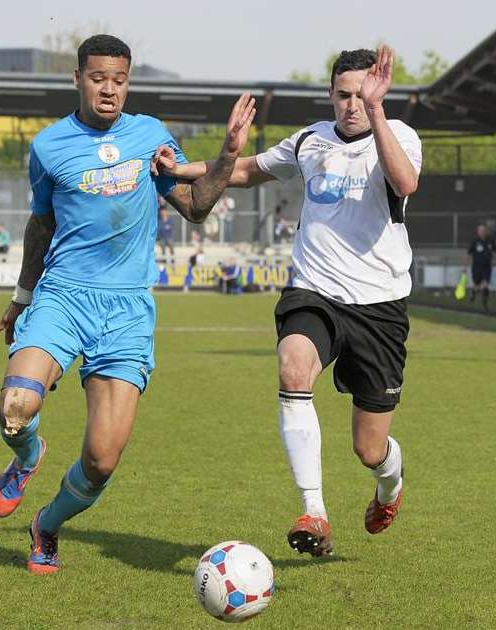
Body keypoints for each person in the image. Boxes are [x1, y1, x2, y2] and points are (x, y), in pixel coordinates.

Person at [0, 34, 254, 576]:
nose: (109, 89)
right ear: (78, 79)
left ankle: (47, 525)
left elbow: (197, 208)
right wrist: (21, 298)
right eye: (97, 78)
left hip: (127, 310)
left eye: (119, 79)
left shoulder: (151, 136)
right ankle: (28, 457)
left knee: (101, 461)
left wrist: (226, 154)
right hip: (63, 297)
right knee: (16, 407)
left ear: (127, 81)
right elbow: (40, 224)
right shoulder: (48, 146)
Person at [154, 45, 421, 556]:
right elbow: (246, 171)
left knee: (369, 448)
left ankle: (390, 483)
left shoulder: (401, 136)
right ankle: (314, 511)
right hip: (314, 290)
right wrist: (181, 168)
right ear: (330, 95)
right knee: (293, 368)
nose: (352, 105)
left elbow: (405, 181)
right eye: (343, 95)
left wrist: (380, 110)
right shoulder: (308, 141)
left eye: (362, 95)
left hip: (380, 307)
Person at [465, 224, 496, 311]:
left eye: (483, 230)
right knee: (477, 286)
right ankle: (473, 293)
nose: (482, 232)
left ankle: (485, 303)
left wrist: (495, 257)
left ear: (486, 231)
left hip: (487, 266)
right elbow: (468, 253)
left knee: (486, 285)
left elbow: (494, 252)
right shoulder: (475, 242)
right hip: (476, 266)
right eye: (480, 231)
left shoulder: (490, 241)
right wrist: (465, 266)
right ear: (478, 232)